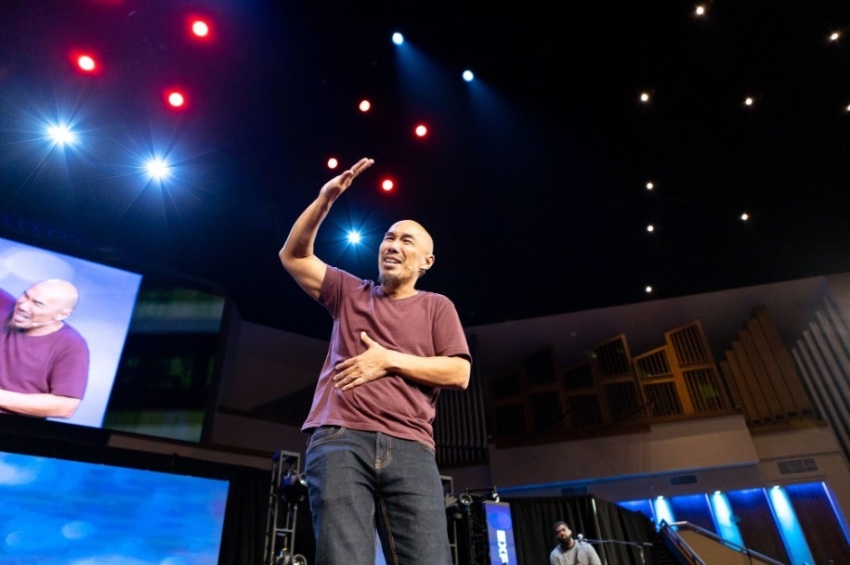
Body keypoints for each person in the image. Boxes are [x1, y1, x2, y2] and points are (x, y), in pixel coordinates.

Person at [279, 158, 471, 565]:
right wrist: (323, 202)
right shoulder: (350, 293)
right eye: (388, 237)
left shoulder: (437, 307)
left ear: (425, 262)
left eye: (406, 241)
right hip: (340, 440)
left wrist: (388, 361)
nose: (392, 245)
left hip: (412, 447)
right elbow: (294, 257)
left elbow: (459, 372)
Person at [0, 279, 89, 418]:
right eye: (26, 295)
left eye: (38, 304)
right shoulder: (4, 304)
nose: (23, 305)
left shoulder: (71, 345)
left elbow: (65, 407)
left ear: (62, 314)